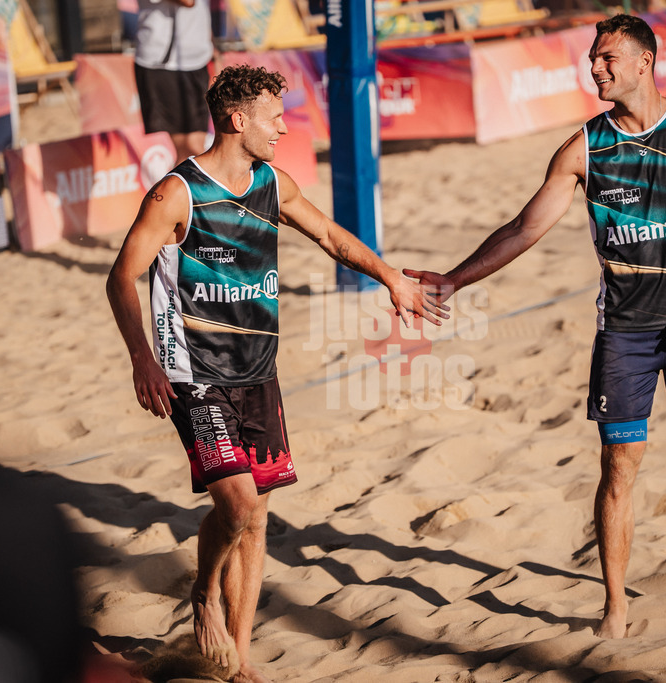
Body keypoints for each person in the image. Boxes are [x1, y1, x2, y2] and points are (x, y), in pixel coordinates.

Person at [406, 14, 666, 638]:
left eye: (607, 57)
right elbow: (524, 228)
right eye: (592, 58)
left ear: (644, 62)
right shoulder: (584, 148)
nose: (596, 67)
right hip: (626, 334)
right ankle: (615, 607)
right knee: (619, 465)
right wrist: (453, 280)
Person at [106, 65, 446, 681]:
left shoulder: (272, 183)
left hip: (258, 371)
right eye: (274, 117)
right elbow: (120, 276)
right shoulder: (177, 194)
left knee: (257, 517)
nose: (284, 128)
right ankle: (204, 592)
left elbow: (332, 237)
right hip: (193, 371)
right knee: (235, 506)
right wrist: (142, 357)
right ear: (238, 121)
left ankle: (238, 659)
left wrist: (391, 276)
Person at [133, 0, 214, 163]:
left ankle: (185, 187)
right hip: (162, 64)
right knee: (190, 151)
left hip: (197, 58)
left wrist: (211, 46)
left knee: (196, 149)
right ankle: (173, 188)